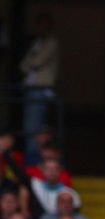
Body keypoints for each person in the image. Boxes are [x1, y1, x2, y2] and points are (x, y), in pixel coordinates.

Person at [20, 14, 60, 150]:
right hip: (31, 86)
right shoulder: (37, 42)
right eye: (39, 24)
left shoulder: (52, 41)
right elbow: (23, 65)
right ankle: (31, 155)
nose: (41, 27)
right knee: (29, 125)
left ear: (49, 25)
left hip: (41, 87)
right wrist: (29, 64)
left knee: (35, 125)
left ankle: (33, 156)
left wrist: (30, 63)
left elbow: (38, 61)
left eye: (44, 24)